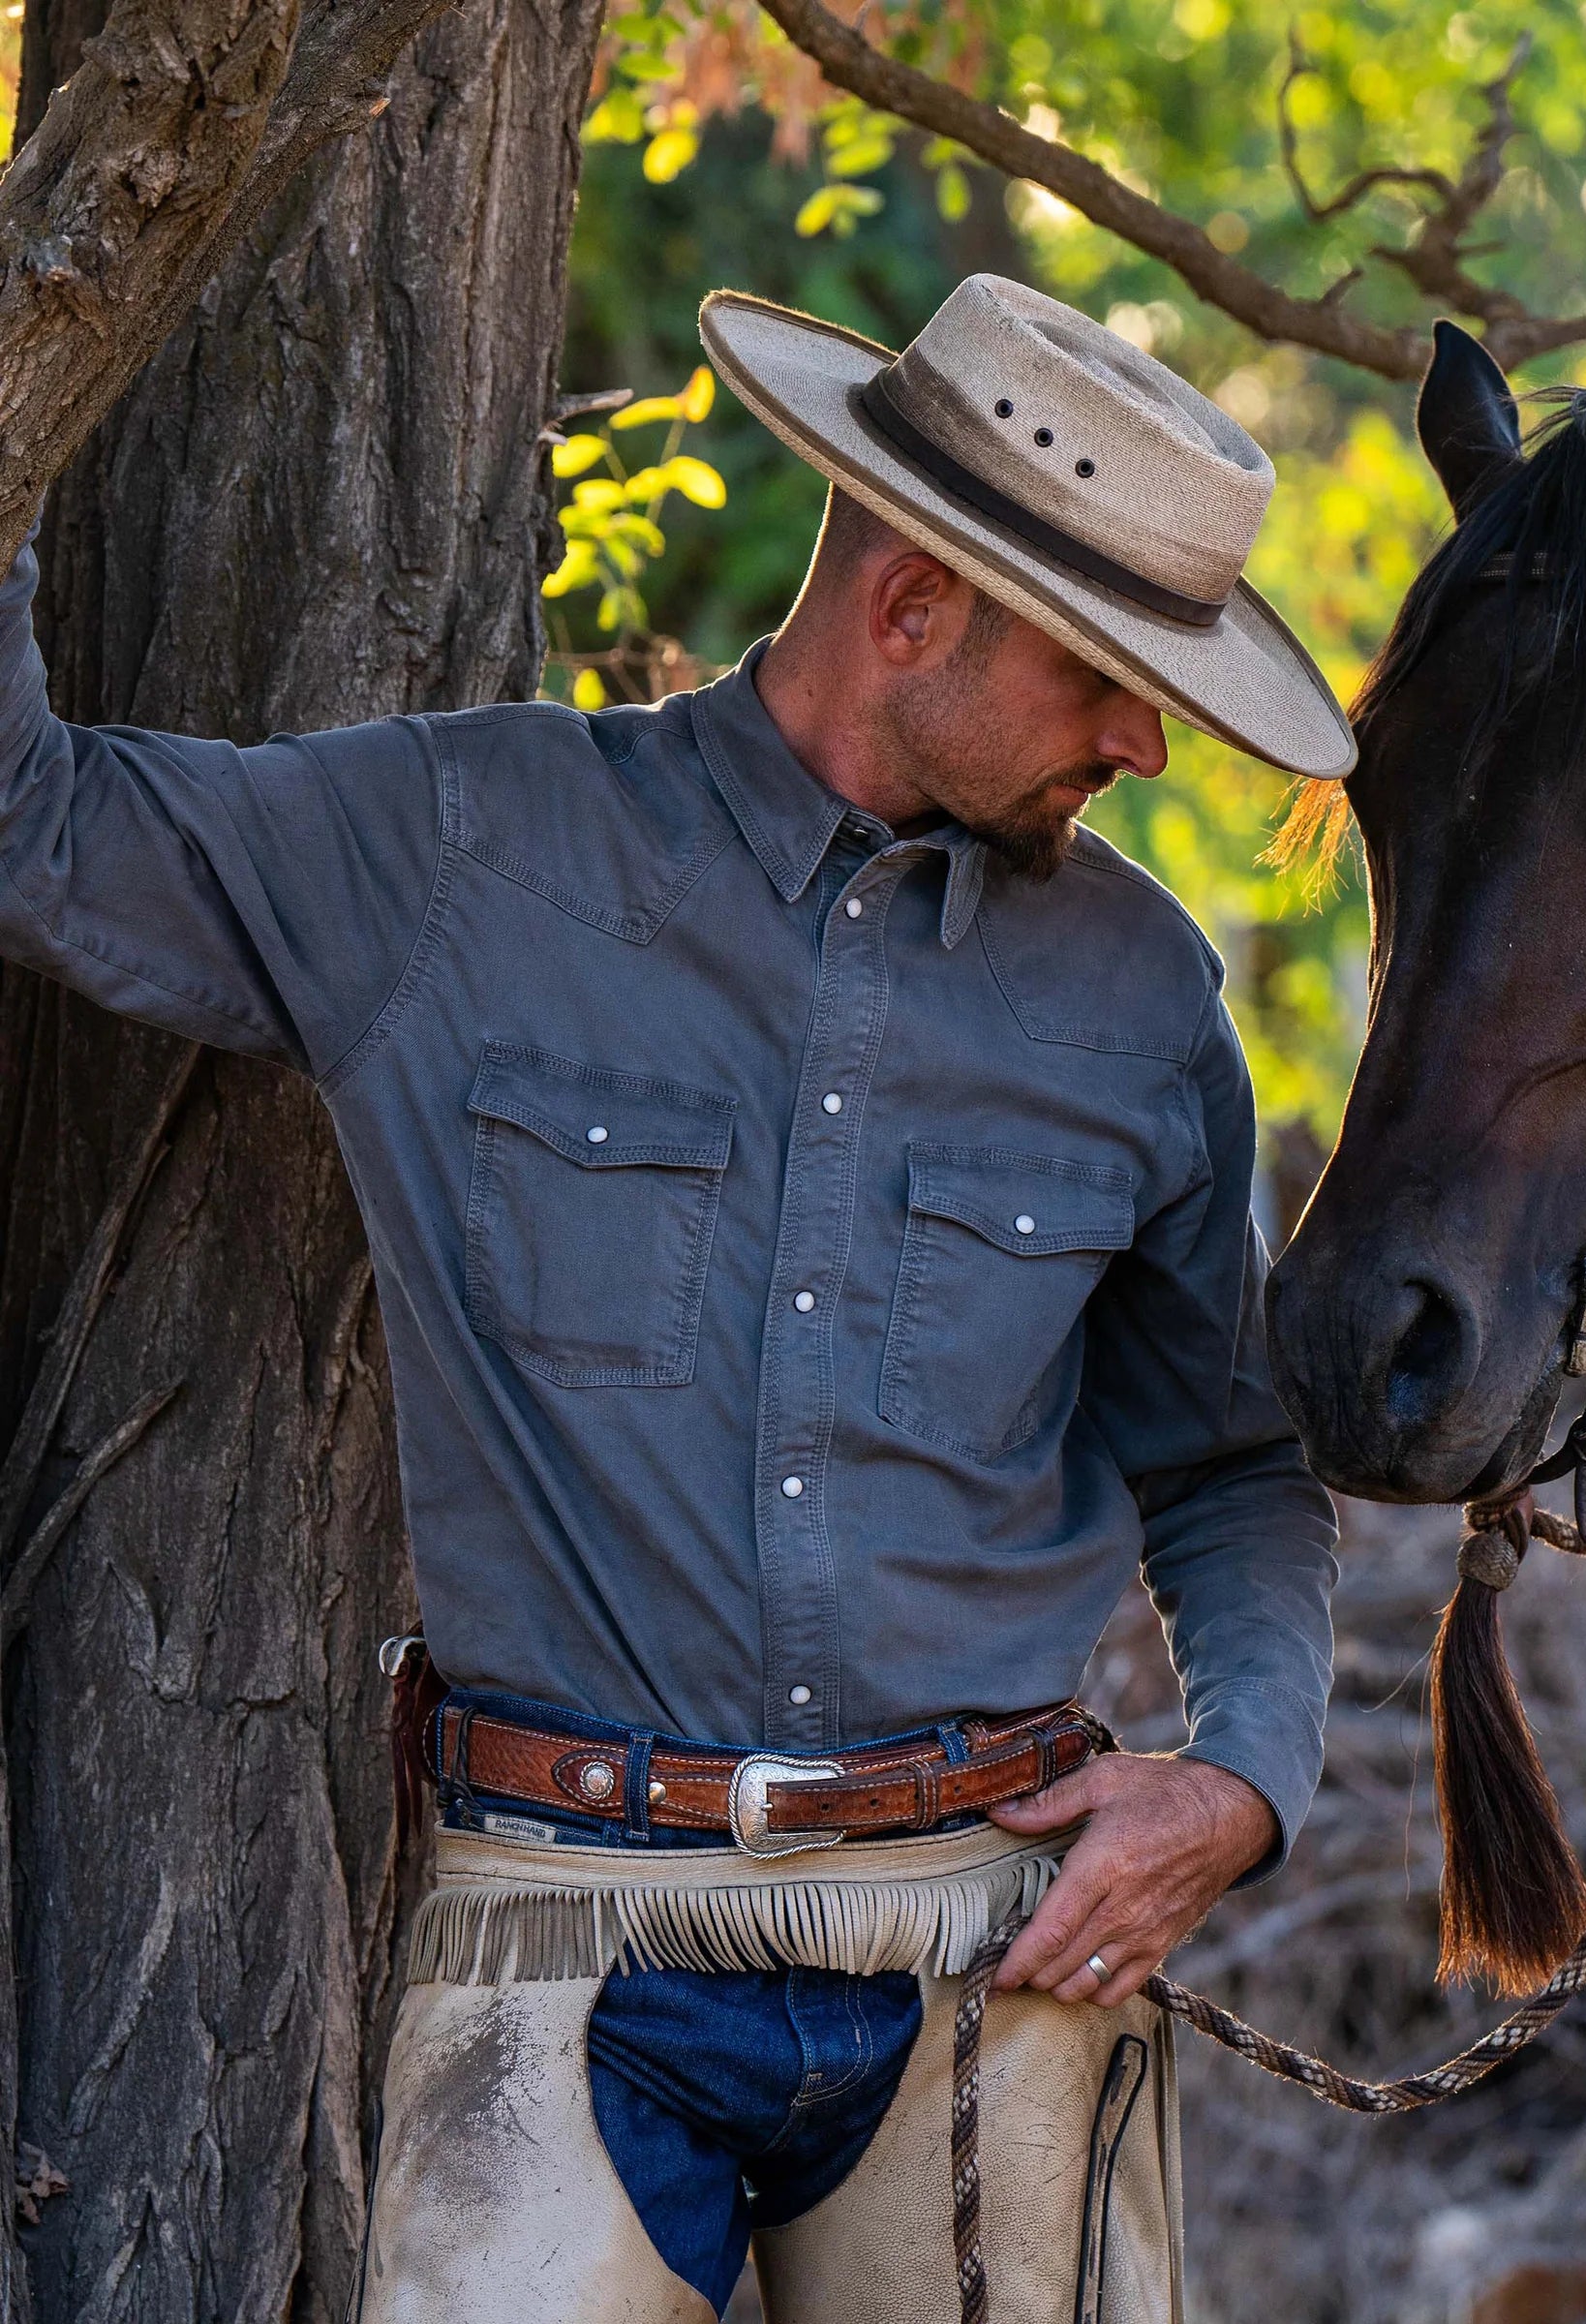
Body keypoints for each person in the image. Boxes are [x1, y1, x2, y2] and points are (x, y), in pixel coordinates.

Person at [0, 272, 1353, 2321]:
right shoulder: (460, 849)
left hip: (997, 1950)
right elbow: (38, 827)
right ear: (911, 611)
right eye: (1102, 676)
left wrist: (1238, 1780)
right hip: (562, 1936)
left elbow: (1237, 1469)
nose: (1145, 739)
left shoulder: (1146, 1001)